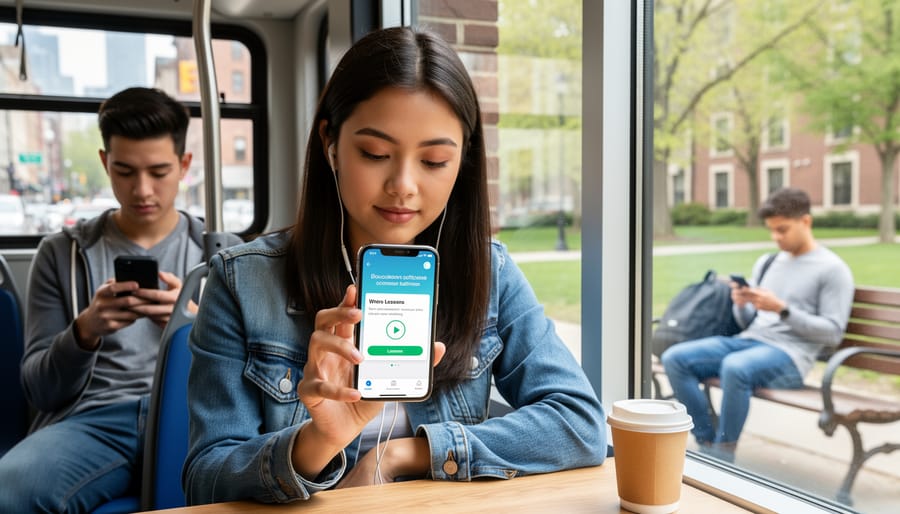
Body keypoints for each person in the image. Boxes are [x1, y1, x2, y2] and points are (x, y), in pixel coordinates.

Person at [183, 27, 606, 504]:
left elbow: (580, 422)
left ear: (462, 162)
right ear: (331, 144)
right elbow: (204, 477)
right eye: (376, 154)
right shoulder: (242, 282)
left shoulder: (490, 272)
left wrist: (400, 456)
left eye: (434, 161)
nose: (403, 185)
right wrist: (318, 442)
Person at [0, 87, 206, 513]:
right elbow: (39, 389)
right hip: (95, 420)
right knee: (8, 493)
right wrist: (85, 330)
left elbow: (252, 374)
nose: (142, 190)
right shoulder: (62, 254)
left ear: (184, 165)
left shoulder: (220, 254)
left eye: (159, 171)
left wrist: (195, 328)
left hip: (195, 419)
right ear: (104, 163)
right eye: (125, 171)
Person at [661, 187, 854, 462]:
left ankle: (723, 454)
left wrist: (783, 310)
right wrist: (742, 304)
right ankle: (706, 442)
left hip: (791, 357)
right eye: (772, 230)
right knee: (675, 358)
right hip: (749, 341)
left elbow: (833, 333)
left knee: (736, 367)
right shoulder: (769, 262)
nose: (776, 237)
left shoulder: (832, 269)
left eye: (783, 229)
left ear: (806, 221)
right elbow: (750, 322)